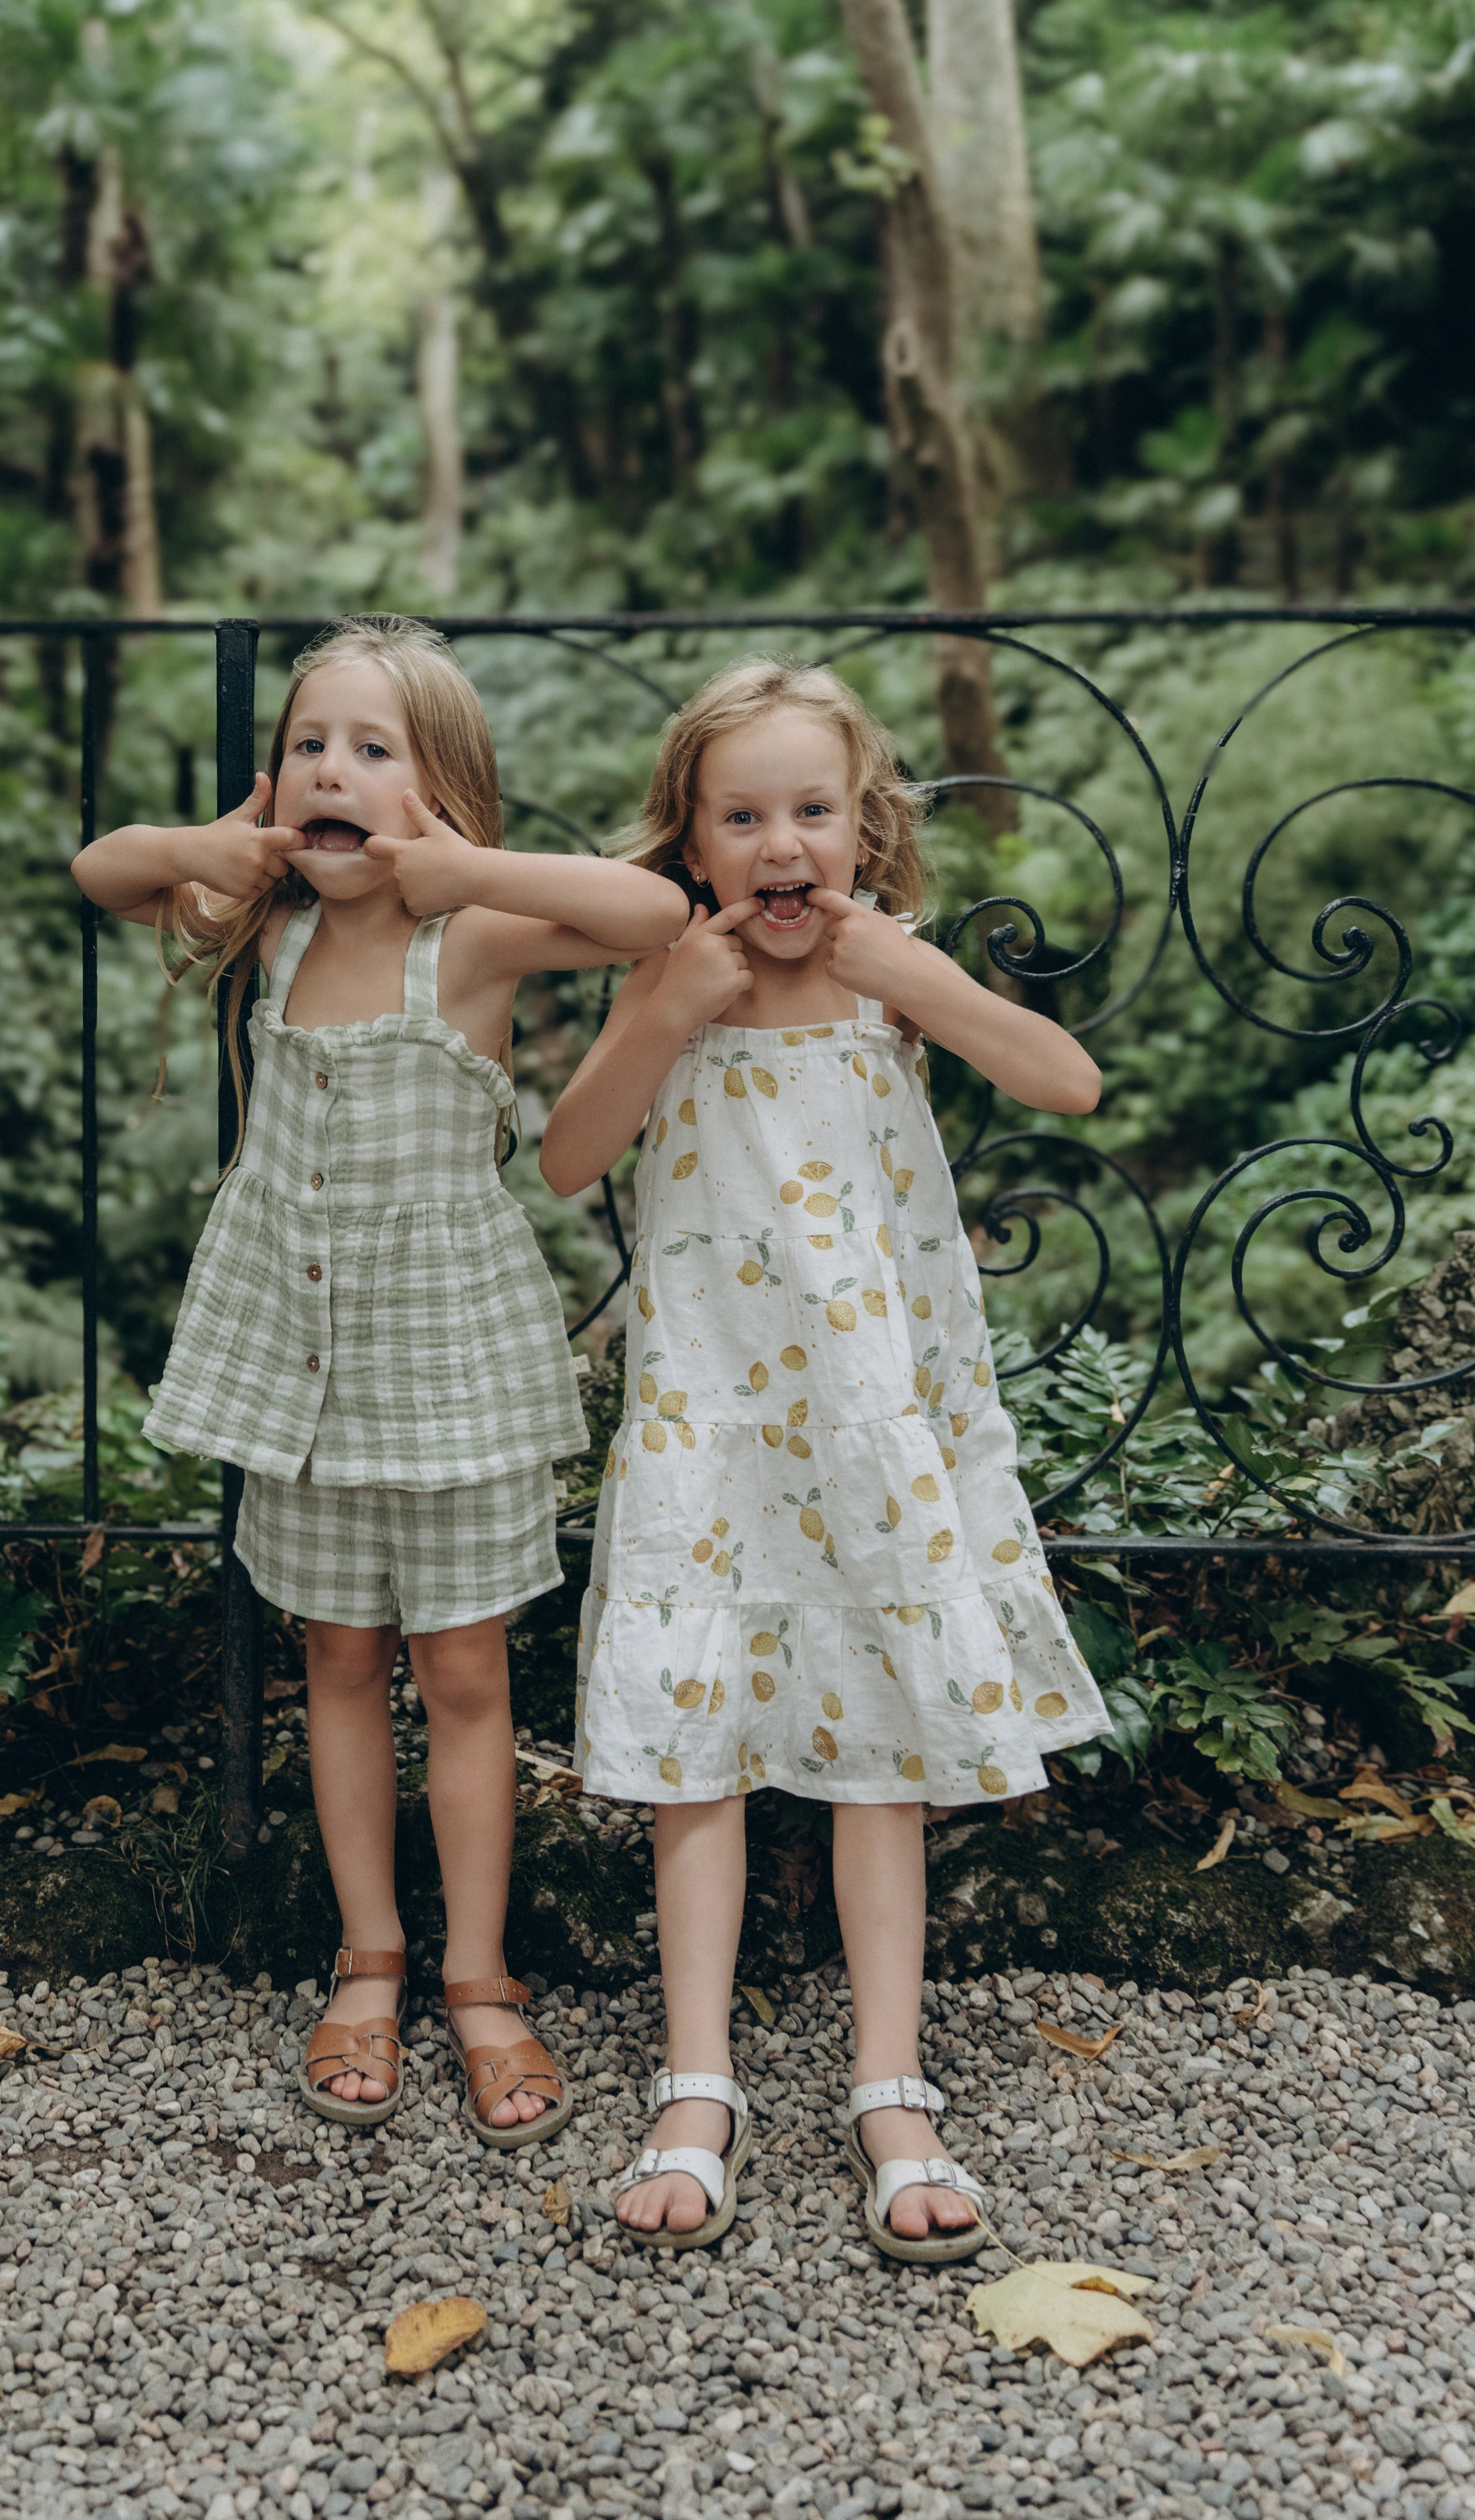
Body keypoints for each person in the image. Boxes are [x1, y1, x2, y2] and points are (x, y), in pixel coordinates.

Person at [73, 616, 687, 2151]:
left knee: (465, 1677)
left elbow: (650, 909)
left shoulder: (462, 935)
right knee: (336, 1664)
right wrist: (222, 838)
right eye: (307, 745)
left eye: (371, 751)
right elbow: (102, 871)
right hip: (303, 1366)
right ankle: (370, 1961)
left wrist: (459, 868)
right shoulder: (264, 919)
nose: (329, 772)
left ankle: (480, 1979)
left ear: (440, 793)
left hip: (448, 1365)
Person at [540, 656, 1110, 2259]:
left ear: (861, 835)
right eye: (742, 816)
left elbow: (1064, 1080)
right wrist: (662, 1013)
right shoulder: (668, 966)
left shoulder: (888, 975)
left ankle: (888, 2083)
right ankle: (696, 2080)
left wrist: (912, 979)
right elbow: (573, 1153)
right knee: (695, 1747)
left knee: (883, 1740)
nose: (780, 844)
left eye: (812, 811)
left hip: (867, 1416)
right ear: (692, 841)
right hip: (708, 1420)